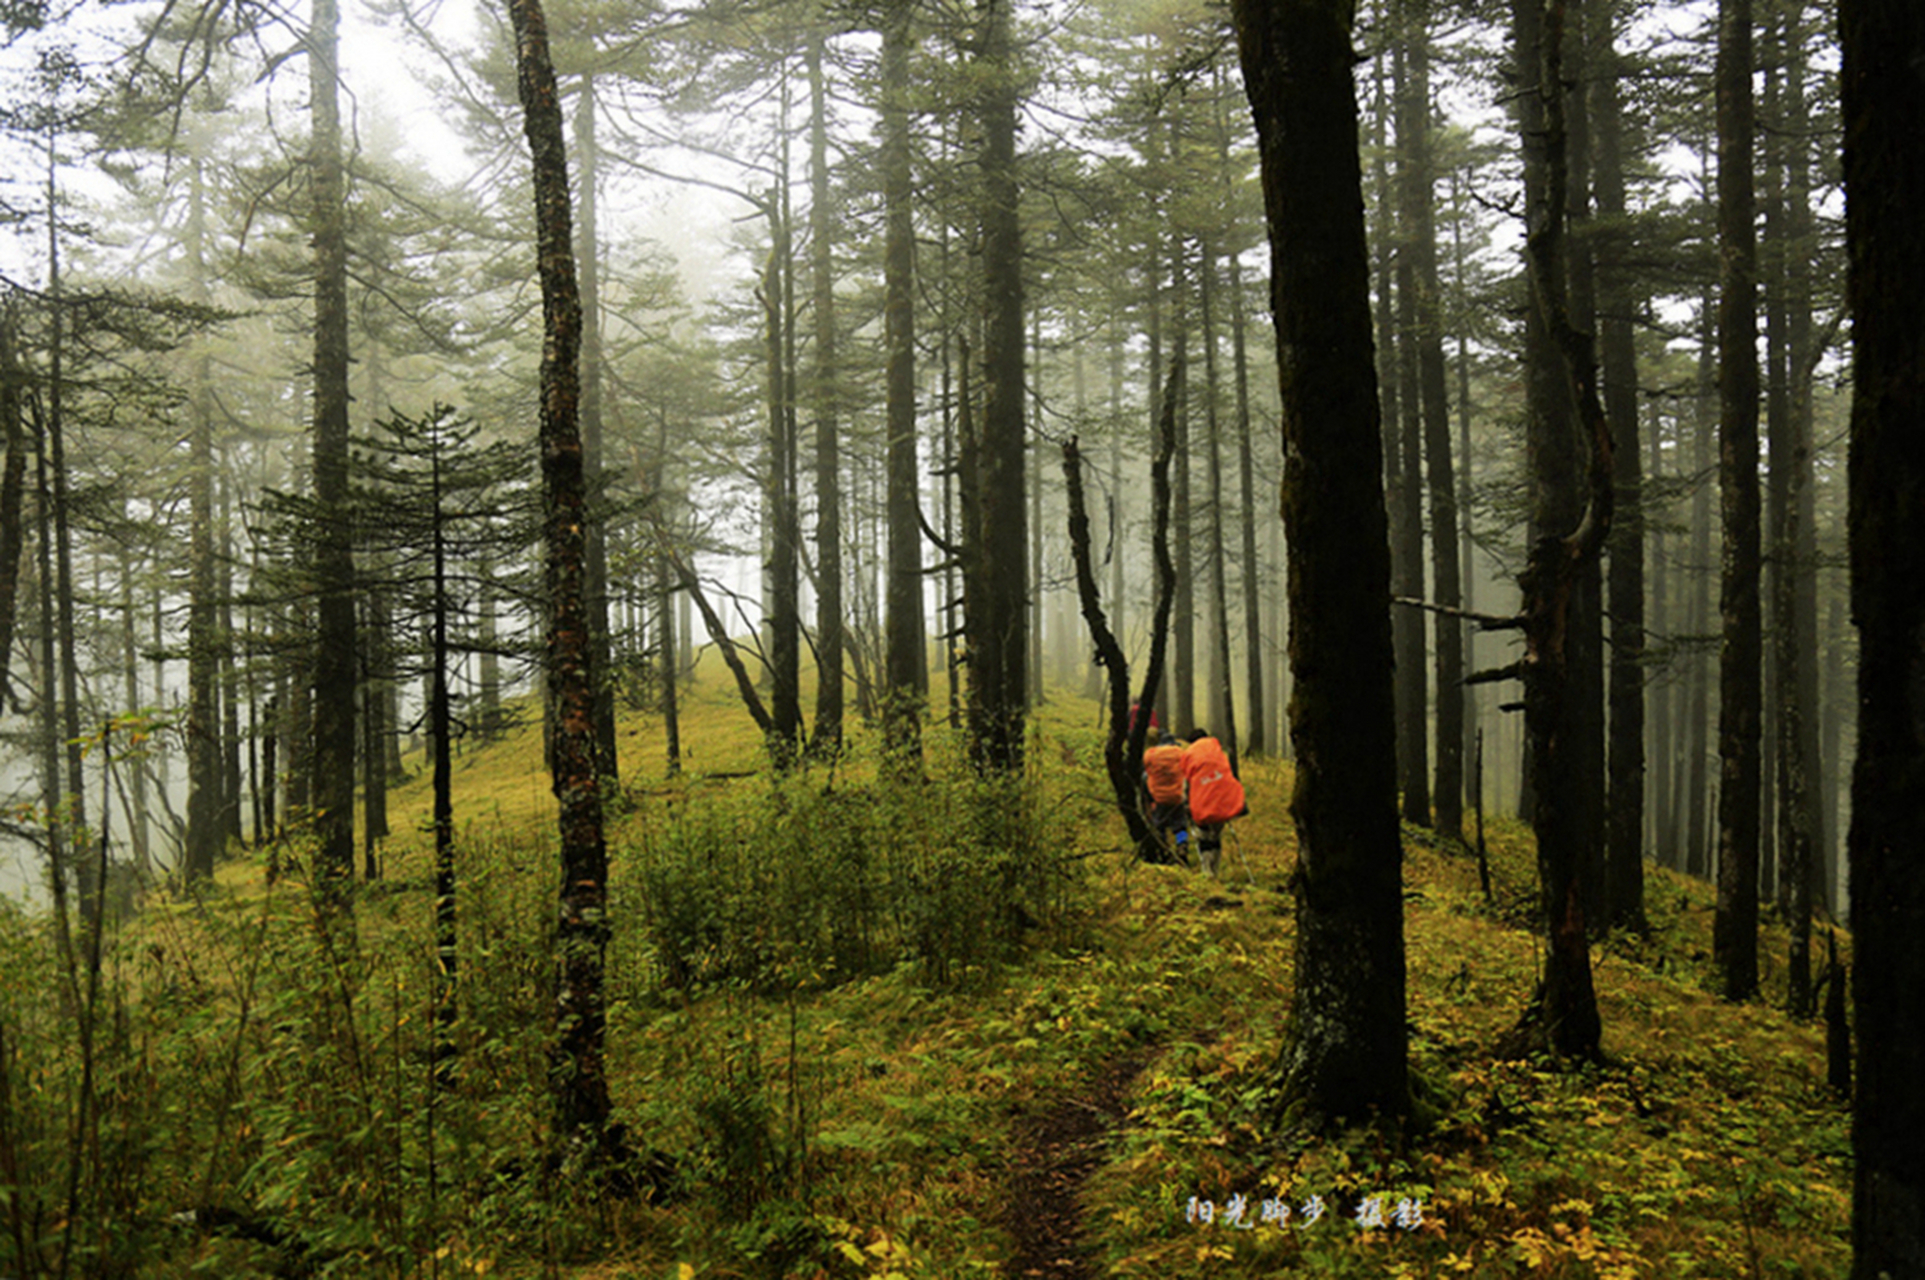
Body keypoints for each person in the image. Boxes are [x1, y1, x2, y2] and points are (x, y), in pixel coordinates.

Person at [1183, 728, 1246, 877]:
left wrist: (1186, 803)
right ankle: (1215, 869)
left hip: (1202, 802)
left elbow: (1187, 783)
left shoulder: (1190, 755)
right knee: (1216, 835)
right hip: (1222, 800)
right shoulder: (1217, 752)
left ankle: (1206, 870)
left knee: (1202, 836)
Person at [1141, 731, 1189, 864]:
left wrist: (1149, 800)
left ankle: (1163, 849)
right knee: (1180, 826)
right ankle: (1182, 845)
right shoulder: (1181, 753)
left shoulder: (1150, 754)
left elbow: (1145, 771)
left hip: (1158, 798)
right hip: (1177, 797)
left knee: (1159, 826)